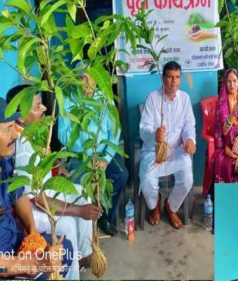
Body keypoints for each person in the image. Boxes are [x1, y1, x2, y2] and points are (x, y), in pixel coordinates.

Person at [8, 85, 100, 279]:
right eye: (38, 106)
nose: (44, 109)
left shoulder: (33, 130)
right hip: (34, 207)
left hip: (46, 190)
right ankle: (71, 275)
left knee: (82, 192)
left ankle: (82, 256)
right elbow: (39, 200)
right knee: (67, 223)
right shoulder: (22, 147)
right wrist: (78, 211)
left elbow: (44, 154)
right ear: (21, 117)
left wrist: (57, 162)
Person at [0, 97, 72, 279]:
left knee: (64, 250)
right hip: (0, 268)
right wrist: (34, 264)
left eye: (14, 126)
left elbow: (19, 196)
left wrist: (33, 232)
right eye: (7, 129)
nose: (15, 135)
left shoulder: (2, 164)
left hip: (17, 247)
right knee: (46, 271)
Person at [57, 66, 128, 237]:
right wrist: (82, 125)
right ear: (75, 80)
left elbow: (115, 132)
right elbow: (62, 135)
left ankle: (105, 216)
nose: (88, 83)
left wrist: (105, 158)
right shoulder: (67, 101)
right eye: (83, 78)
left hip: (104, 153)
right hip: (80, 157)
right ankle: (84, 225)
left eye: (92, 78)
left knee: (121, 174)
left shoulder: (105, 99)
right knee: (81, 182)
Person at [138, 61, 196, 229]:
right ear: (163, 78)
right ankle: (155, 204)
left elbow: (189, 126)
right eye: (170, 77)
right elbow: (144, 129)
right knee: (148, 180)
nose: (174, 81)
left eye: (177, 77)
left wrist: (190, 140)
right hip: (154, 150)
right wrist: (154, 135)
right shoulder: (153, 98)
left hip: (176, 151)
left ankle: (170, 207)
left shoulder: (184, 99)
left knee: (187, 178)